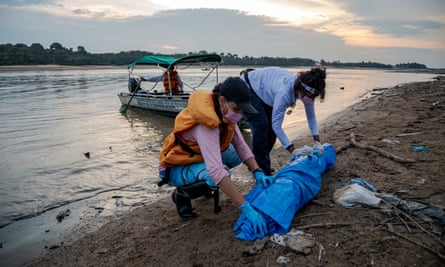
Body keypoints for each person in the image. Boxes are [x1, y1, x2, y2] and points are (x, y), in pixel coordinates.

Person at [157, 77, 273, 237]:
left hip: (195, 157)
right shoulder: (206, 125)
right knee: (219, 174)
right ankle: (181, 195)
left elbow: (241, 145)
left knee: (235, 156)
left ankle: (203, 182)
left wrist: (257, 171)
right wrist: (246, 208)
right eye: (236, 109)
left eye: (241, 110)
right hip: (174, 168)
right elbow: (217, 172)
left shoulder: (225, 114)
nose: (239, 114)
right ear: (222, 100)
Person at [240, 66, 327, 176]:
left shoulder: (307, 92)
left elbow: (311, 117)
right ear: (300, 89)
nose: (308, 99)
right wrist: (292, 150)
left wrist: (317, 141)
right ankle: (262, 170)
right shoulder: (284, 93)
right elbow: (277, 125)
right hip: (248, 87)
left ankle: (258, 164)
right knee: (261, 126)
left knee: (271, 133)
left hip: (266, 92)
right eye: (306, 96)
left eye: (311, 97)